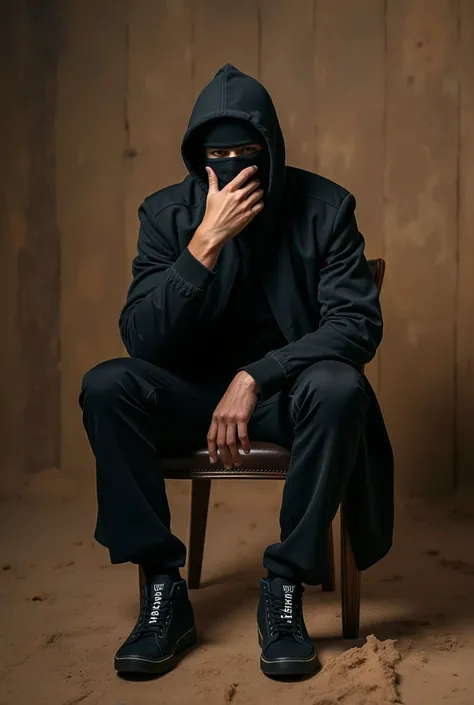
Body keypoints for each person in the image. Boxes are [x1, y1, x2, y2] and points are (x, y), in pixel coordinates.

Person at [79, 63, 394, 679]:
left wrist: (256, 375)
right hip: (187, 394)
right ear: (198, 156)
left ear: (270, 150)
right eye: (216, 153)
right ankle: (163, 593)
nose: (229, 164)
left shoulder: (325, 209)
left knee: (340, 385)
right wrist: (204, 244)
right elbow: (140, 338)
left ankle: (284, 590)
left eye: (245, 151)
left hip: (283, 396)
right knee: (107, 383)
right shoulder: (167, 215)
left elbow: (356, 327)